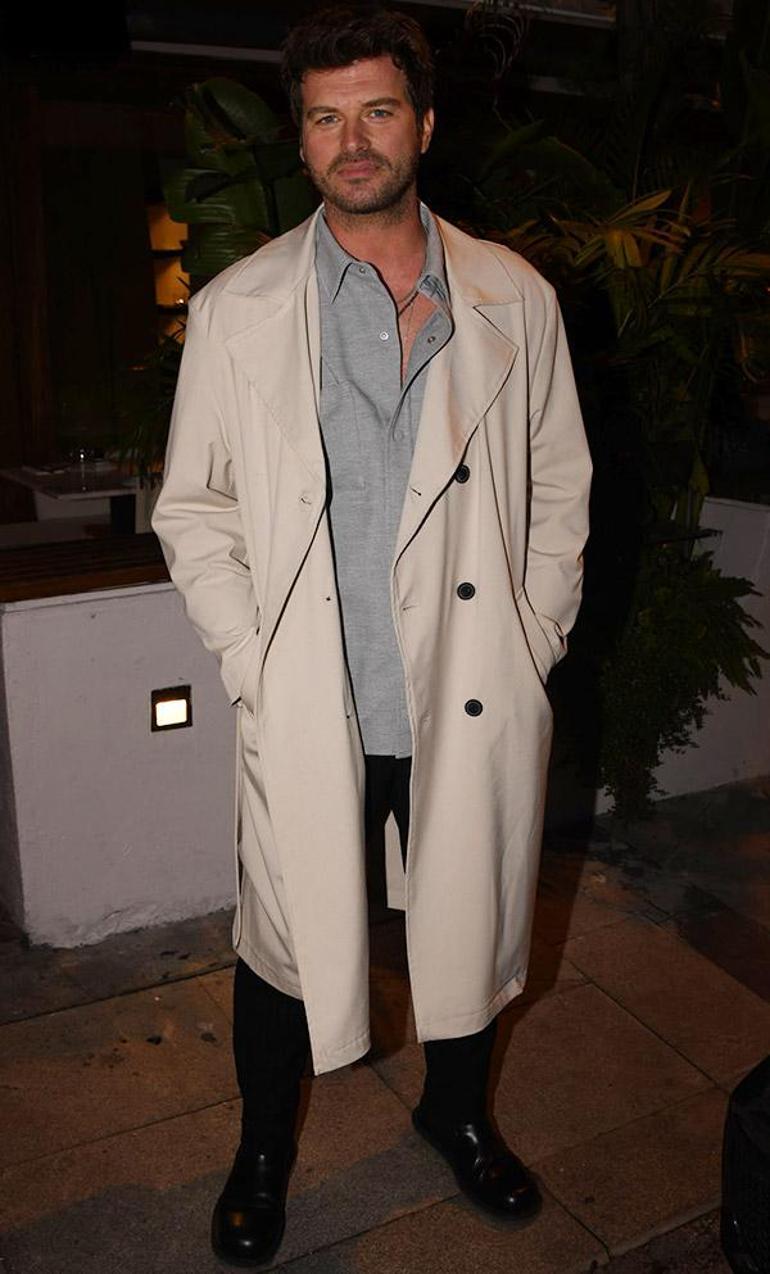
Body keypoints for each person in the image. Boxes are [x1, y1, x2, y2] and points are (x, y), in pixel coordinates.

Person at [152, 4, 592, 1266]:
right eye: (325, 117)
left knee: (465, 916)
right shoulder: (237, 309)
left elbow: (559, 488)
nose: (352, 140)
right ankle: (262, 1150)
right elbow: (193, 506)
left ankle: (456, 1114)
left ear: (424, 125)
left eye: (377, 110)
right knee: (280, 941)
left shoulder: (513, 296)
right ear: (300, 140)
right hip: (311, 695)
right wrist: (249, 659)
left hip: (466, 685)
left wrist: (532, 633)